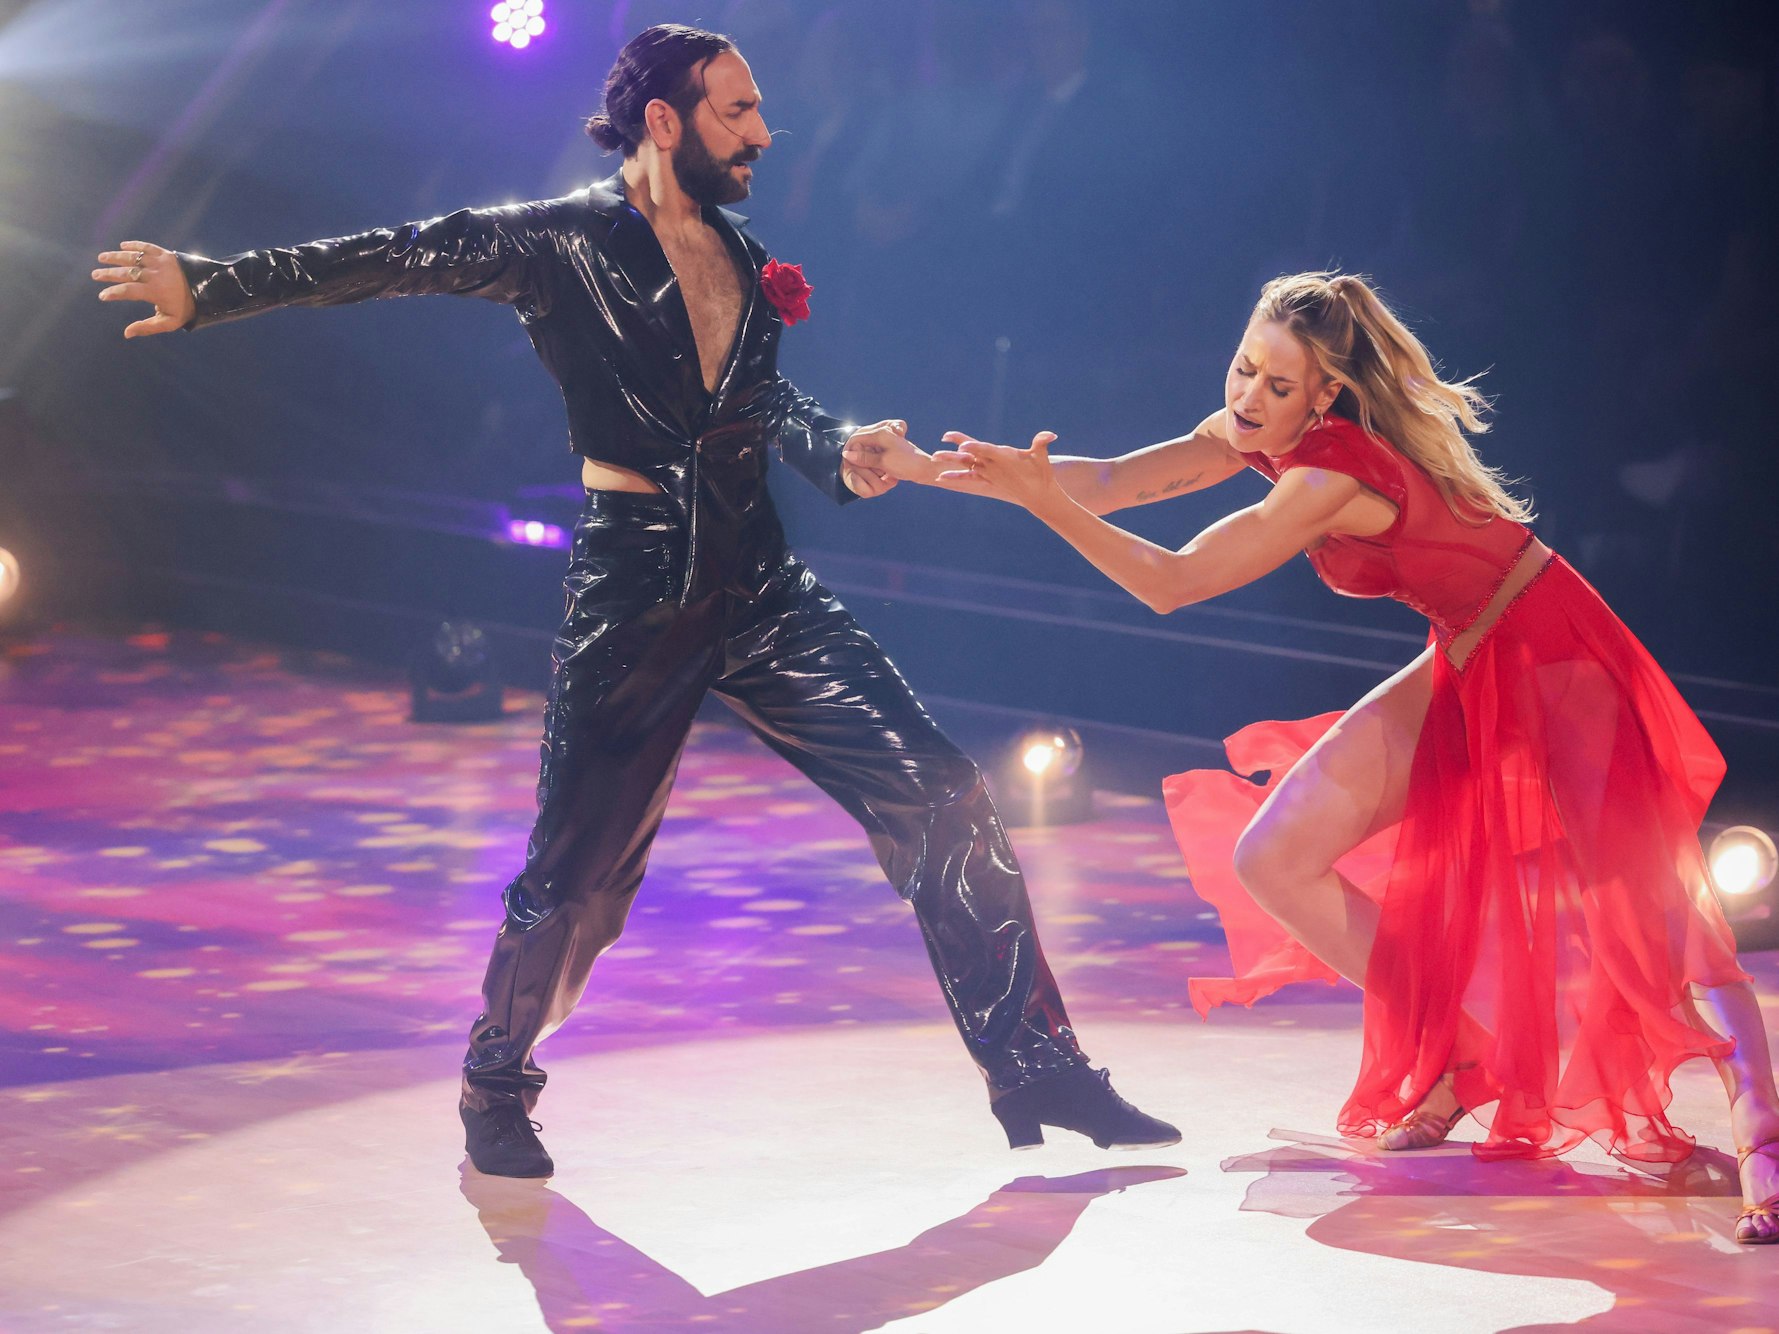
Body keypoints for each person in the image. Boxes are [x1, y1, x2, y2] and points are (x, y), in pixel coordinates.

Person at [91, 24, 1178, 1177]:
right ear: (665, 119)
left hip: (757, 577)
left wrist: (842, 443)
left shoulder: (745, 256)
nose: (764, 131)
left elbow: (764, 403)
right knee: (579, 877)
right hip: (635, 585)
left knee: (943, 790)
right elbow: (397, 252)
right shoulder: (563, 242)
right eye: (738, 111)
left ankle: (1036, 1057)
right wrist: (210, 287)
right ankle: (495, 1076)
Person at [845, 270, 1779, 1243]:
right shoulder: (1253, 432)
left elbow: (1174, 581)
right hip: (1466, 648)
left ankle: (1768, 1139)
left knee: (1662, 919)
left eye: (1276, 387)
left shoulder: (1331, 475)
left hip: (1554, 655)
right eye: (1244, 368)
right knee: (1273, 853)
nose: (1247, 397)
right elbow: (1115, 478)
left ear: (1324, 398)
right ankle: (1463, 1055)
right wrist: (921, 465)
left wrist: (1043, 503)